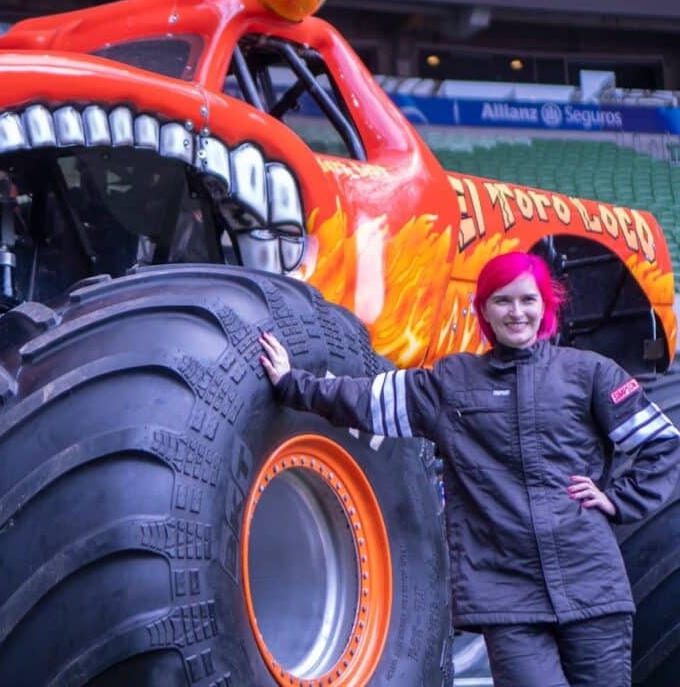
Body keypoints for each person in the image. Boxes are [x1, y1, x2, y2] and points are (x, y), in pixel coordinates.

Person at [258, 251, 680, 687]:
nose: (517, 312)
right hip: (507, 595)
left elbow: (662, 442)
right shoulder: (452, 382)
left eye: (528, 299)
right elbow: (366, 399)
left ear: (545, 306)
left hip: (592, 585)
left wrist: (618, 500)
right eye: (502, 301)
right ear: (484, 311)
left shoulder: (590, 374)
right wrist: (292, 384)